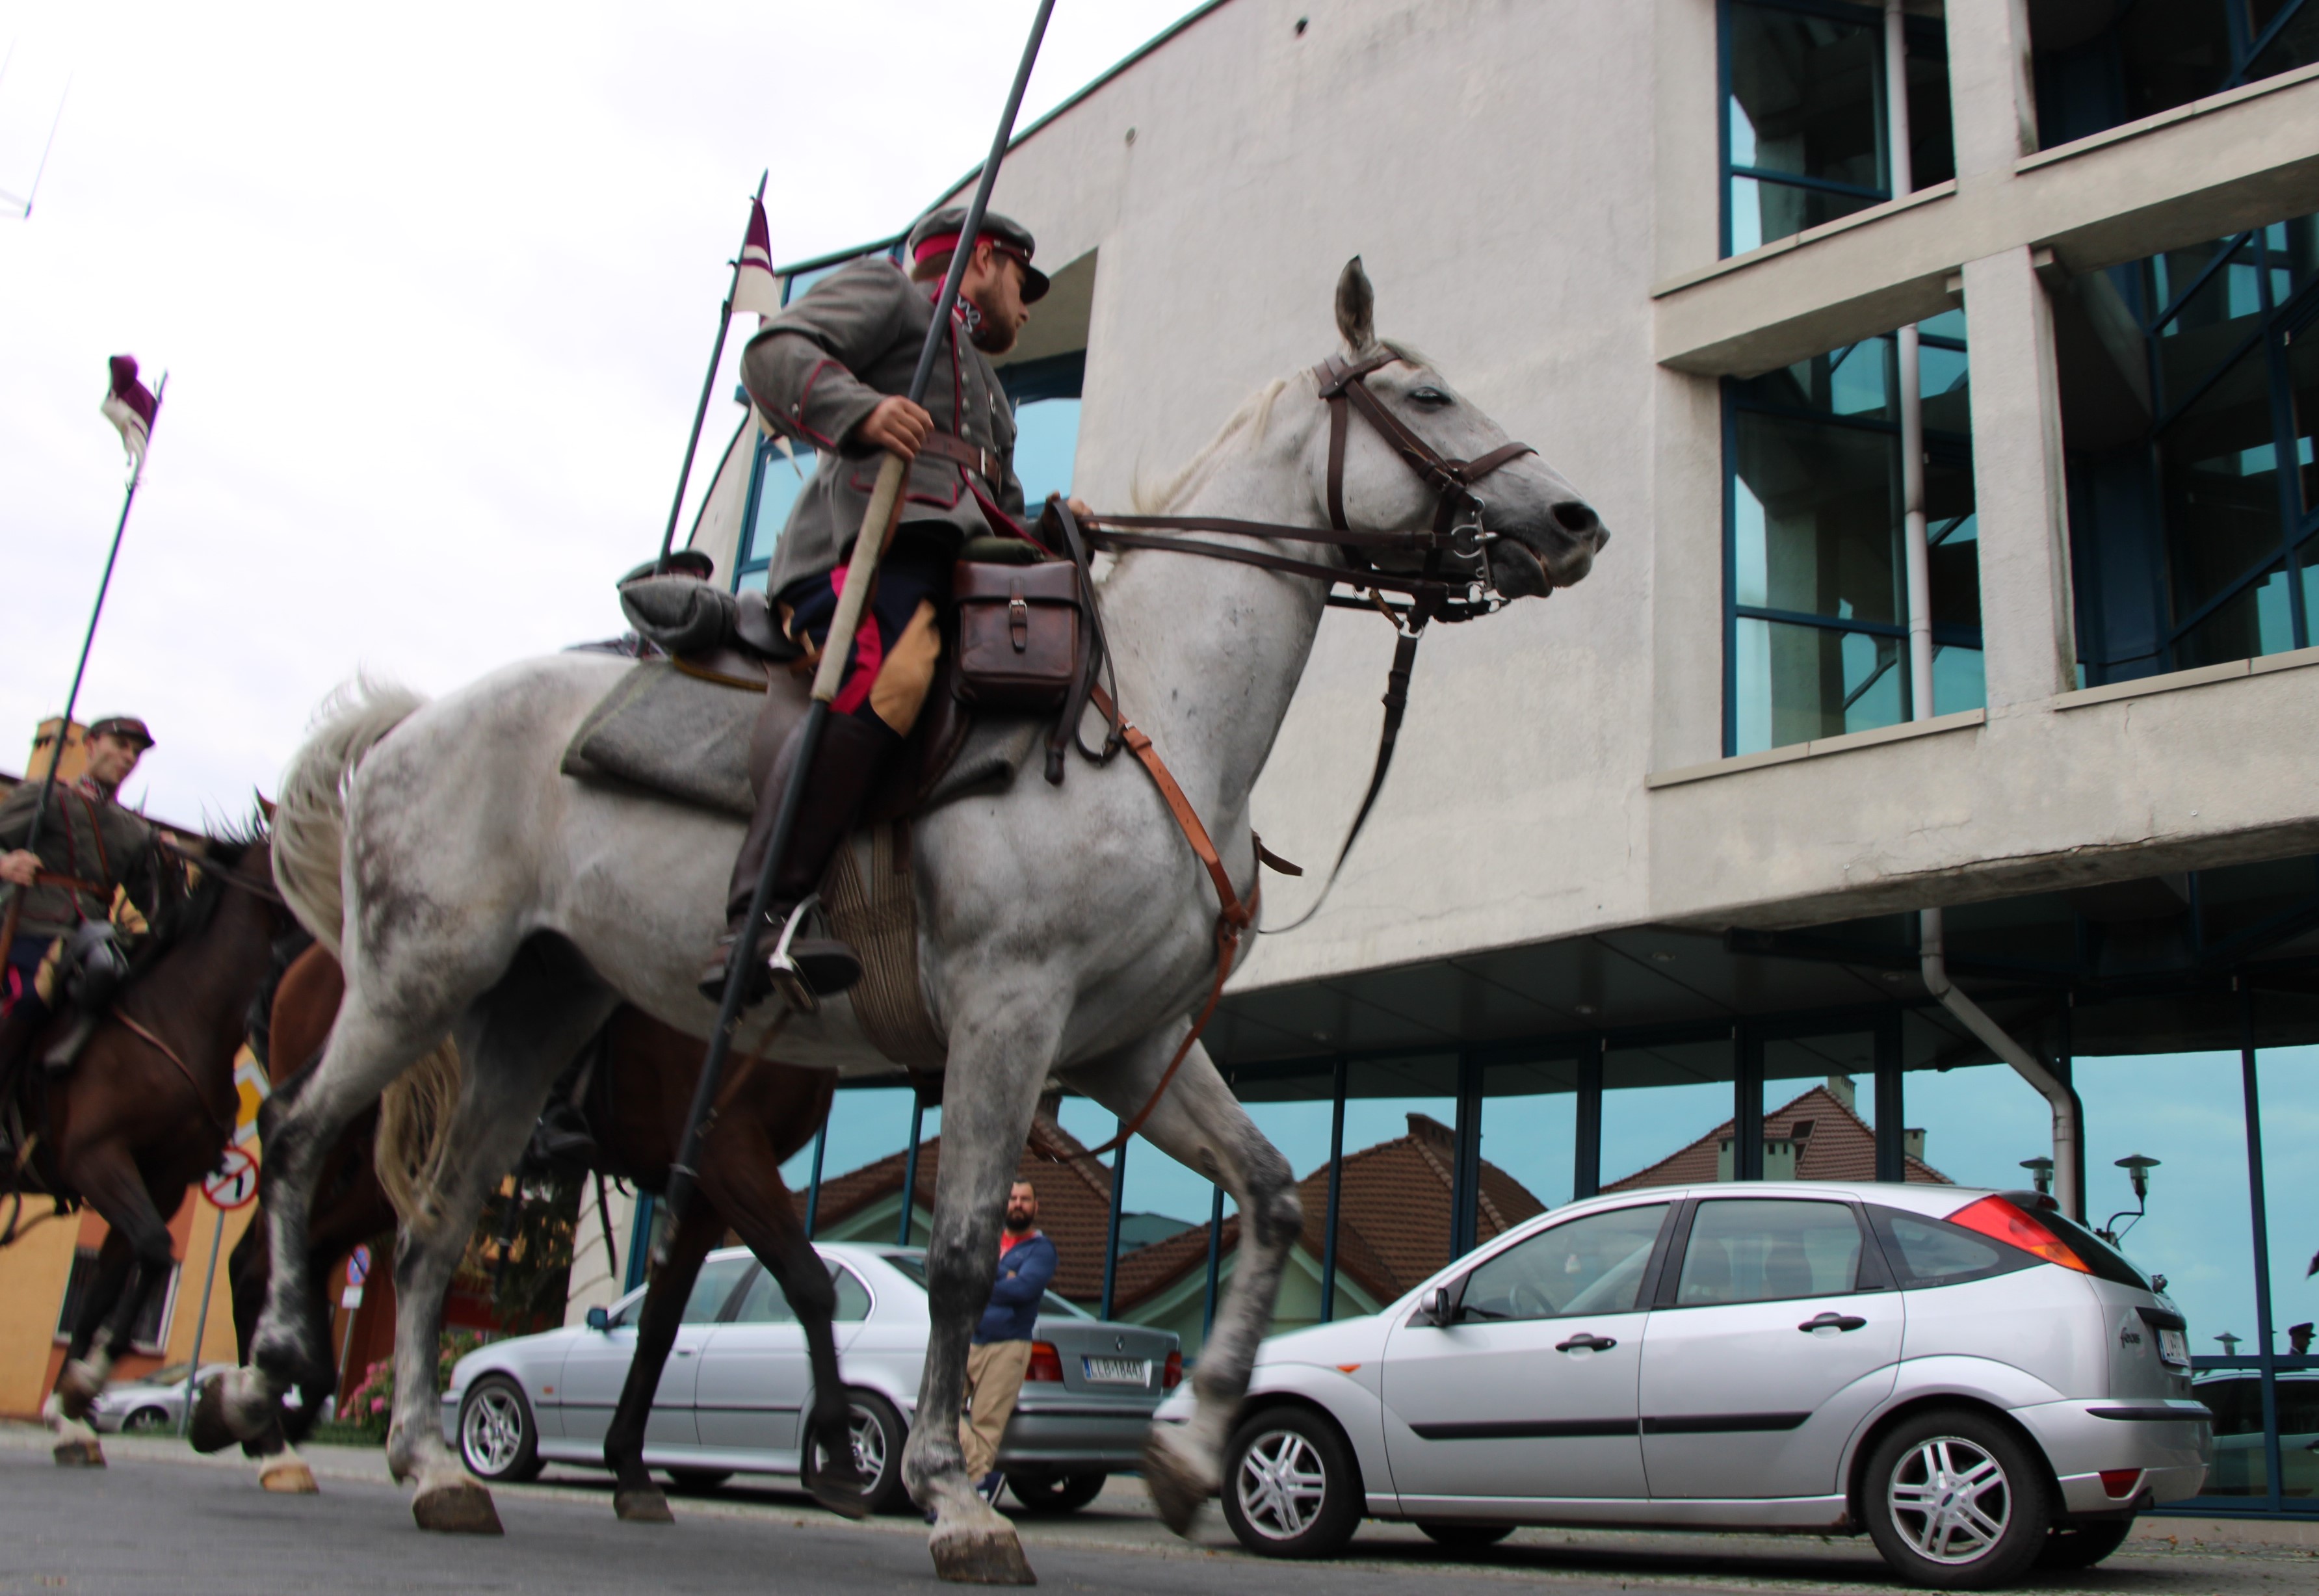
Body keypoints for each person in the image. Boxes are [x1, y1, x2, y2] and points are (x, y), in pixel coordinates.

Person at [700, 206, 1068, 1008]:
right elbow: (775, 354)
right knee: (888, 672)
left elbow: (995, 507)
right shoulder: (895, 298)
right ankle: (759, 917)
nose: (1028, 304)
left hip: (951, 570)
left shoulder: (997, 396)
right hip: (860, 554)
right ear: (981, 261)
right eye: (1022, 281)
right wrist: (860, 410)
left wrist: (1055, 534)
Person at [0, 717, 162, 1103]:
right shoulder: (44, 796)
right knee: (29, 997)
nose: (128, 756)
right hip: (33, 924)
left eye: (135, 752)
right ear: (90, 744)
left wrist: (169, 864)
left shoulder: (136, 832)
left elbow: (156, 906)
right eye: (120, 744)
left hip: (94, 938)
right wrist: (5, 865)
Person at [959, 1178, 1056, 1506]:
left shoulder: (1040, 1250)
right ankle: (981, 1480)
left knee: (986, 1425)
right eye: (1012, 1198)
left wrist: (981, 1282)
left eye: (1025, 1199)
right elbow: (957, 1274)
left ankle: (973, 1498)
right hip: (966, 1340)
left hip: (1008, 1345)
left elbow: (1025, 1290)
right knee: (940, 1411)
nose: (1017, 1204)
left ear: (1035, 1207)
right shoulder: (985, 1241)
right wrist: (1003, 1278)